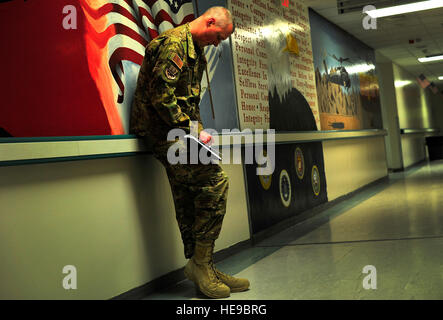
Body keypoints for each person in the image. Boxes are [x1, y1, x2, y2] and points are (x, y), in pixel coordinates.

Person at [130, 6, 249, 299]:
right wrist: (192, 130)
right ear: (209, 22)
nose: (217, 43)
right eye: (218, 36)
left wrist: (196, 132)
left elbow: (185, 101)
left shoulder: (193, 48)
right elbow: (162, 96)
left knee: (191, 198)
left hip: (178, 134)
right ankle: (200, 264)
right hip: (164, 134)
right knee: (215, 183)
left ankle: (203, 264)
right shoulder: (175, 44)